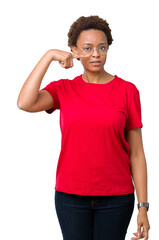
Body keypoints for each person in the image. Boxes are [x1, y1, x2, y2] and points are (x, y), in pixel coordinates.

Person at [17, 15, 150, 240]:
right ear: (74, 50)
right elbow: (25, 103)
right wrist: (49, 55)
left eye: (101, 47)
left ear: (108, 48)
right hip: (70, 197)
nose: (96, 54)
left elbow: (137, 153)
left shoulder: (127, 91)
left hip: (116, 197)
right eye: (87, 48)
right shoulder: (63, 89)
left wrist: (143, 206)